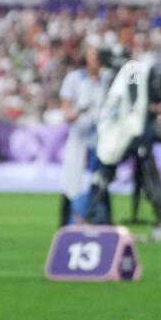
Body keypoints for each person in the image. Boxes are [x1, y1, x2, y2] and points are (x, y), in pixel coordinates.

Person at [57, 44, 108, 227]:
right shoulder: (75, 79)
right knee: (71, 180)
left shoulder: (106, 79)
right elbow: (66, 112)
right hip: (79, 137)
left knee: (101, 180)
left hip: (99, 139)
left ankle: (103, 222)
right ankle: (66, 223)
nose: (98, 60)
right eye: (94, 56)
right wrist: (81, 110)